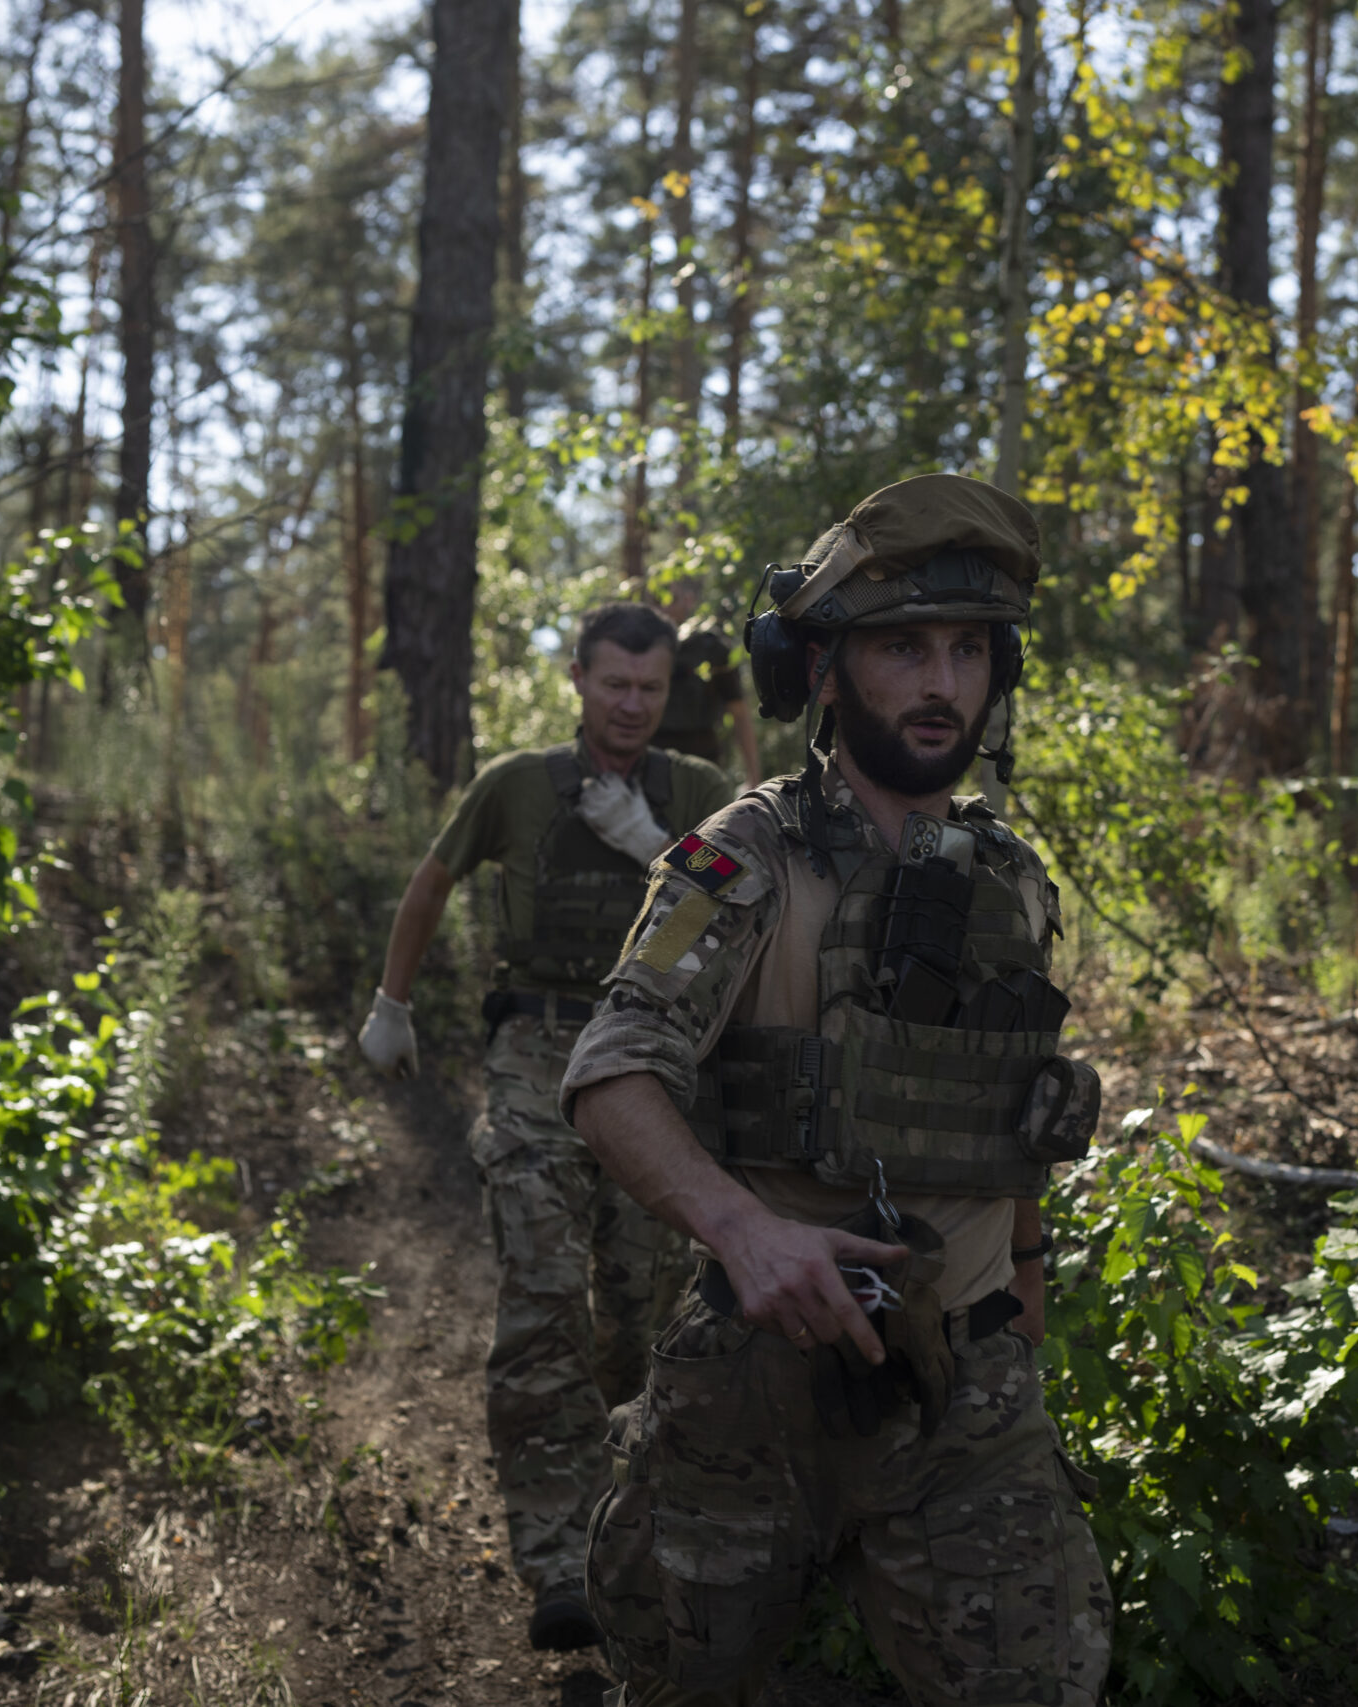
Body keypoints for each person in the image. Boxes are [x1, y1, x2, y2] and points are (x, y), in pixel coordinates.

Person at [562, 475, 1113, 1706]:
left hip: (964, 1391)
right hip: (756, 1379)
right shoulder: (741, 858)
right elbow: (611, 1073)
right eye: (903, 647)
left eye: (968, 650)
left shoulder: (1010, 882)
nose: (940, 682)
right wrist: (746, 1232)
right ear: (820, 670)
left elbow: (1004, 1127)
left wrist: (1020, 1298)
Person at [357, 601, 739, 1652]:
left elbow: (743, 907)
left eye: (648, 689)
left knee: (635, 1306)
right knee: (539, 1294)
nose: (628, 705)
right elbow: (433, 880)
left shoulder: (700, 794)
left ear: (668, 695)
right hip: (534, 1046)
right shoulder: (517, 786)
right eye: (612, 684)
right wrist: (391, 1004)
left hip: (651, 1055)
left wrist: (660, 851)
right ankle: (555, 1559)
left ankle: (617, 1508)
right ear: (576, 679)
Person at [657, 583, 764, 784]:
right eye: (657, 601)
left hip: (703, 770)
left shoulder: (711, 648)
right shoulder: (640, 650)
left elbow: (739, 714)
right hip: (652, 772)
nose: (663, 609)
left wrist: (754, 778)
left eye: (671, 600)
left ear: (688, 600)